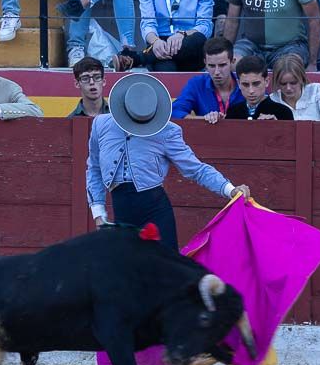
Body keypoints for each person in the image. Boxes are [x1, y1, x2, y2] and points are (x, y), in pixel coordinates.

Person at [86, 72, 251, 252]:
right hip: (121, 213)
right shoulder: (101, 125)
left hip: (156, 212)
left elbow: (196, 169)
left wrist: (230, 189)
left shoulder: (166, 131)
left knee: (164, 273)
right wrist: (99, 214)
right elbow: (94, 169)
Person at [170, 36, 246, 120]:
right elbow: (175, 112)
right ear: (205, 63)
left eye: (222, 65)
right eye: (212, 66)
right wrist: (204, 119)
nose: (217, 72)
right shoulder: (196, 84)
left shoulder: (247, 84)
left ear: (232, 62)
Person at [269, 52, 320, 120]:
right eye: (283, 84)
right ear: (277, 82)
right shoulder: (271, 101)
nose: (288, 88)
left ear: (302, 78)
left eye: (293, 83)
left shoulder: (317, 92)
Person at [225, 55, 295, 118]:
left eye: (256, 84)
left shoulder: (283, 112)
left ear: (267, 81)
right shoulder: (232, 112)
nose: (251, 91)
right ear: (239, 84)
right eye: (245, 84)